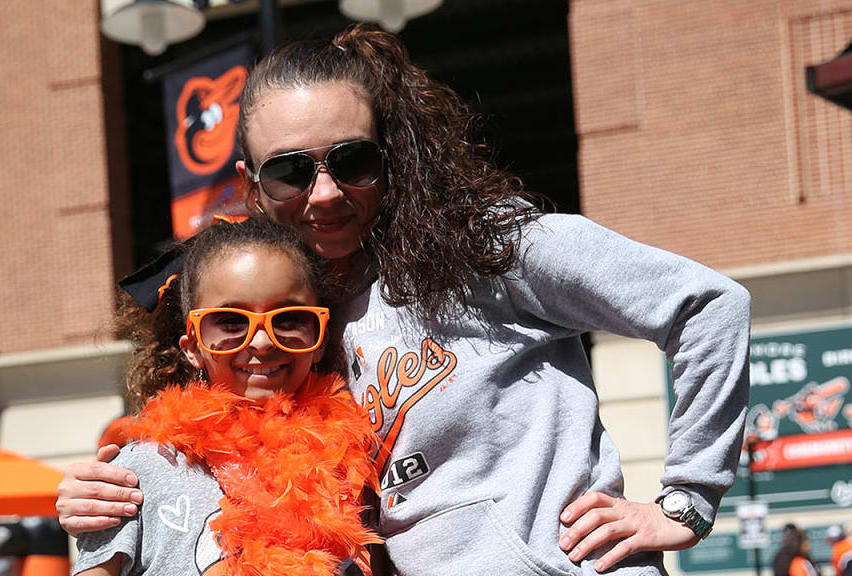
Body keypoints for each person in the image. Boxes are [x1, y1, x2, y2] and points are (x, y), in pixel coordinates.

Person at [57, 24, 751, 576]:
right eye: (291, 171)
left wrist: (686, 502)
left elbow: (707, 306)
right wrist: (101, 497)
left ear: (391, 156)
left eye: (352, 160)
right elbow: (221, 469)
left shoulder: (488, 247)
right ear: (251, 184)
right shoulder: (292, 324)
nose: (325, 193)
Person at [72, 217, 381, 576]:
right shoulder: (139, 472)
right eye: (231, 322)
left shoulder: (350, 464)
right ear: (192, 347)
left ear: (320, 339)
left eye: (289, 319)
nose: (262, 342)